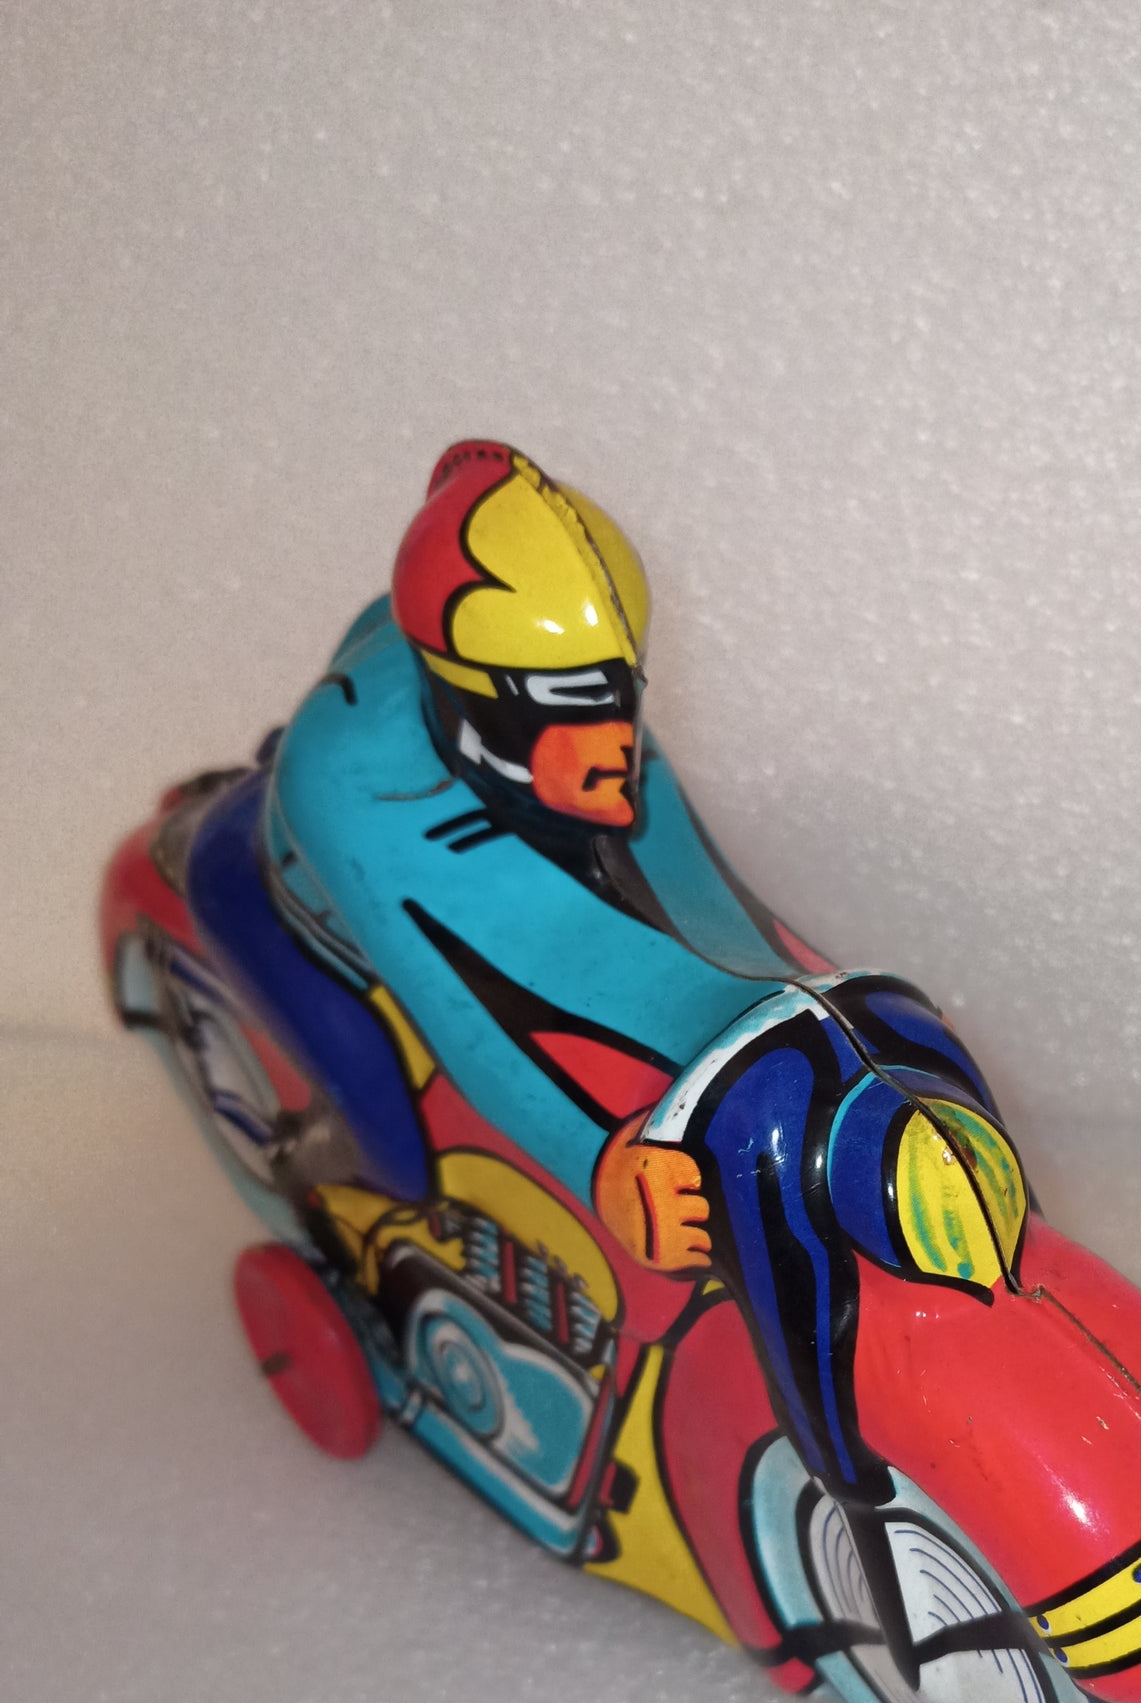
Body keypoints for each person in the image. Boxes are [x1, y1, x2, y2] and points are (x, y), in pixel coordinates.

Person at [180, 442, 1006, 1611]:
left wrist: (831, 1004)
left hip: (441, 808)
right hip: (297, 908)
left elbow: (716, 921)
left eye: (618, 696)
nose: (616, 741)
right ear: (472, 698)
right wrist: (599, 1159)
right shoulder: (350, 779)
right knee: (397, 1145)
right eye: (570, 709)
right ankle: (329, 1195)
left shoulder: (555, 715)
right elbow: (465, 1006)